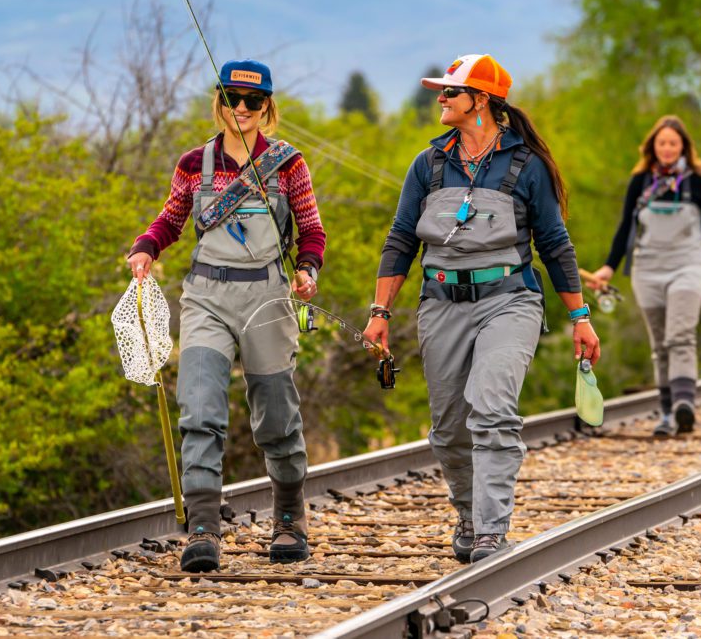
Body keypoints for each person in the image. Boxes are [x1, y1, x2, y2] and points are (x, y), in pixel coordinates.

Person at [363, 54, 600, 563]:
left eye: (451, 92)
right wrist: (380, 312)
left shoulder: (526, 166)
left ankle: (492, 530)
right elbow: (401, 240)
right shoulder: (427, 165)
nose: (441, 99)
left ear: (482, 102)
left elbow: (555, 245)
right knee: (449, 428)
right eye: (441, 92)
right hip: (440, 304)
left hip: (510, 301)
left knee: (491, 409)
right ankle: (469, 516)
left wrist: (580, 318)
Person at [126, 59, 327, 572]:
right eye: (232, 98)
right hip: (205, 296)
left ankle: (288, 515)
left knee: (276, 411)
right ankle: (203, 528)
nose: (241, 108)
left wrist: (307, 268)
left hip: (267, 295)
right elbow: (171, 218)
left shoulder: (288, 165)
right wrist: (146, 247)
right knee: (198, 407)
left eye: (252, 101)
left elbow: (311, 230)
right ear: (219, 101)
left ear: (267, 108)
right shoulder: (194, 163)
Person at [586, 116, 701, 437]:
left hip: (689, 266)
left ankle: (685, 403)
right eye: (662, 143)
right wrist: (608, 268)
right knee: (659, 343)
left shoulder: (699, 182)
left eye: (674, 143)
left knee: (680, 335)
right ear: (653, 148)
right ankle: (668, 413)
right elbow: (625, 229)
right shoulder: (640, 181)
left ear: (683, 146)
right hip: (648, 269)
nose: (668, 149)